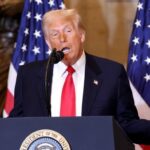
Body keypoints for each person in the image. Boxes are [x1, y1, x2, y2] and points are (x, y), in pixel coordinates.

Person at [9, 8, 150, 144]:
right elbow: (16, 124)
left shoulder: (111, 73)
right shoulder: (29, 75)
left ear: (81, 35)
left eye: (68, 31)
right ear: (47, 42)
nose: (62, 38)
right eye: (54, 34)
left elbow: (126, 123)